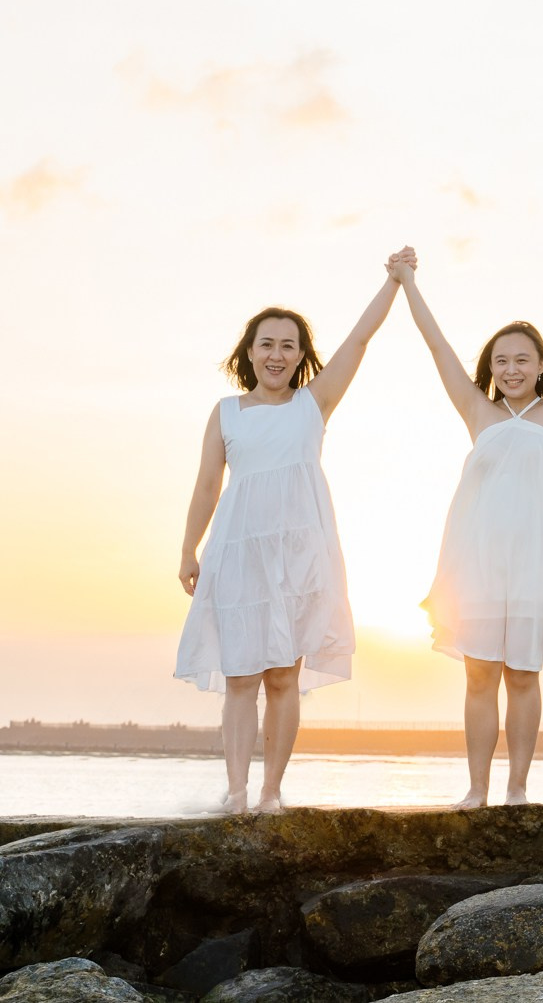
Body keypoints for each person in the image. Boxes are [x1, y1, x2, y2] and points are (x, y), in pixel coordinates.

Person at [395, 246, 543, 807]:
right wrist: (408, 283)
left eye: (522, 360)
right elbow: (438, 347)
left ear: (542, 366)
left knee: (523, 676)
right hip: (477, 569)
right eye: (501, 361)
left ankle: (517, 789)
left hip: (535, 568)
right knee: (479, 677)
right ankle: (477, 789)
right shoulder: (477, 412)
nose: (511, 370)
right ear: (491, 369)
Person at [173, 262, 405, 813]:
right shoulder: (226, 413)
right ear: (249, 352)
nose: (276, 355)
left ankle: (271, 794)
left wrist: (394, 282)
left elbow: (359, 339)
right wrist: (187, 549)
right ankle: (236, 793)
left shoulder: (313, 404)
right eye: (267, 344)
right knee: (240, 678)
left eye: (288, 346)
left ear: (301, 356)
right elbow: (207, 485)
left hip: (300, 558)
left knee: (282, 677)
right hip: (239, 552)